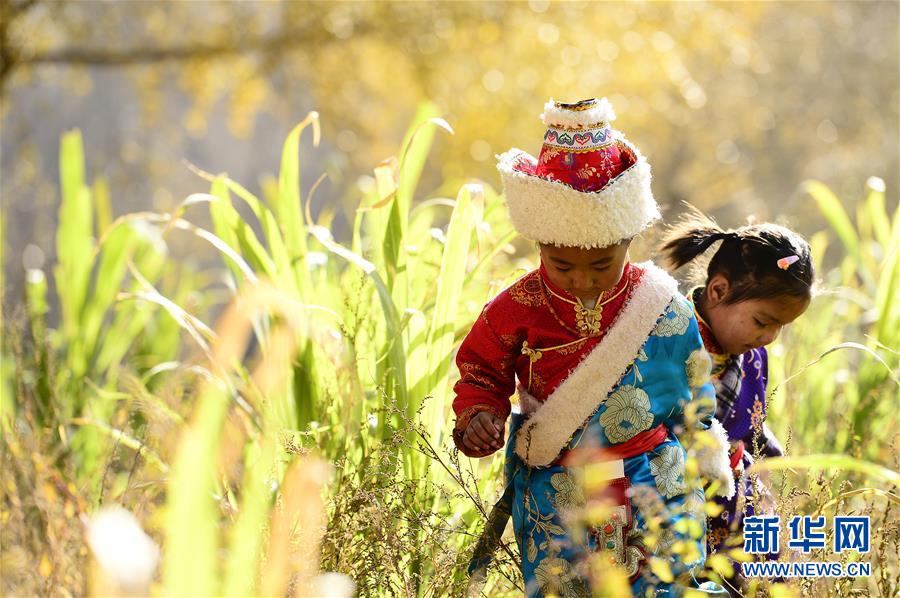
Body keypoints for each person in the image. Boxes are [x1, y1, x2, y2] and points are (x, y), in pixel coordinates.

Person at [453, 98, 732, 597]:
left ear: (629, 240)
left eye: (602, 265)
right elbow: (481, 374)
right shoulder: (513, 309)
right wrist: (479, 415)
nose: (582, 280)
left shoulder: (663, 309)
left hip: (655, 481)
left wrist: (705, 461)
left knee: (665, 587)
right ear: (539, 244)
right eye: (561, 266)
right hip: (558, 494)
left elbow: (693, 396)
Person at [659, 209, 814, 588]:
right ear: (718, 291)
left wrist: (771, 463)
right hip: (677, 500)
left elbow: (753, 428)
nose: (771, 337)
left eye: (781, 326)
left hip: (739, 505)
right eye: (763, 321)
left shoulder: (754, 356)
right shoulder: (666, 338)